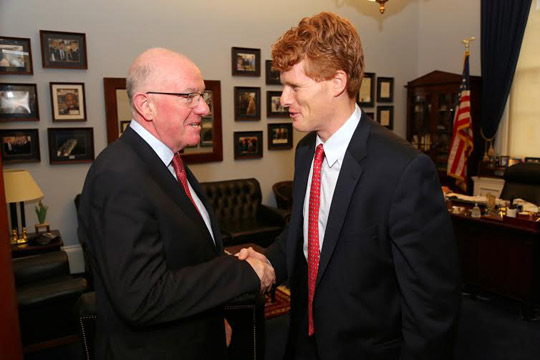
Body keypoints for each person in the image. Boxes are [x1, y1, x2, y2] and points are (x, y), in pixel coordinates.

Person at [238, 12, 460, 360]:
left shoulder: (403, 169)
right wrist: (266, 262)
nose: (282, 99)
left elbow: (432, 305)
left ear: (337, 81)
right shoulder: (305, 151)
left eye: (295, 87)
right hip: (303, 341)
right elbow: (303, 236)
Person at [77, 47, 275, 360]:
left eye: (202, 96)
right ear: (146, 105)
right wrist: (243, 273)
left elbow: (179, 252)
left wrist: (227, 267)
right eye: (189, 96)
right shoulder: (119, 176)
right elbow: (142, 297)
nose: (204, 109)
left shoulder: (168, 162)